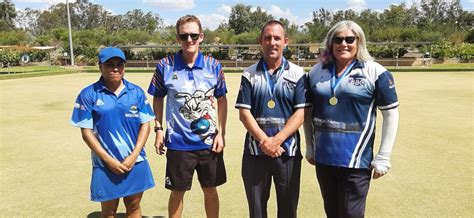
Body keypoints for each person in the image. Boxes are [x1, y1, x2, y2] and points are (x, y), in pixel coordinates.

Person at [304, 20, 400, 217]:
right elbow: (307, 112)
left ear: (359, 42)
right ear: (330, 43)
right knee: (332, 212)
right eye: (338, 39)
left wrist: (384, 156)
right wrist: (310, 146)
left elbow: (391, 114)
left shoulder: (375, 71)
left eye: (350, 39)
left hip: (356, 162)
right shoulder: (317, 71)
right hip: (324, 160)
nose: (343, 44)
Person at [147, 15, 227, 218]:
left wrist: (221, 133)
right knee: (177, 192)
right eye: (184, 36)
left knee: (210, 190)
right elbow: (157, 98)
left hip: (209, 143)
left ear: (201, 37)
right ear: (177, 39)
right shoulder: (165, 65)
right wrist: (158, 130)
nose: (189, 40)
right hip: (177, 143)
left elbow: (222, 100)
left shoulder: (214, 65)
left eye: (193, 35)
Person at [235, 20, 310, 218]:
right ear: (261, 41)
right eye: (267, 38)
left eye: (277, 38)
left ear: (286, 41)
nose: (272, 42)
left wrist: (276, 141)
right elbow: (244, 114)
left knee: (288, 209)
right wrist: (265, 141)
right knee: (257, 210)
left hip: (287, 152)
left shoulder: (297, 73)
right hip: (255, 152)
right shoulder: (249, 74)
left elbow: (300, 113)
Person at [71, 47, 155, 217]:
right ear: (100, 66)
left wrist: (133, 156)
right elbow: (86, 132)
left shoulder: (136, 92)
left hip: (135, 161)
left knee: (134, 207)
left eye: (119, 64)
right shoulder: (88, 94)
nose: (115, 68)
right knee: (109, 212)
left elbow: (145, 125)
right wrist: (109, 160)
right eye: (109, 64)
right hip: (104, 164)